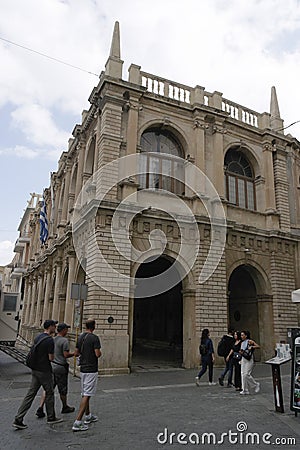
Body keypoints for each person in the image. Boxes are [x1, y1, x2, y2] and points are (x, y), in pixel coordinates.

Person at [13, 320, 63, 429]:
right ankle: (51, 417)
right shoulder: (49, 340)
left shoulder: (38, 337)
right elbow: (51, 358)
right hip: (44, 370)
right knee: (49, 392)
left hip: (35, 369)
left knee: (30, 394)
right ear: (50, 327)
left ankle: (19, 417)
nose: (55, 327)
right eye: (54, 326)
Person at [36, 323, 75, 418]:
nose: (67, 331)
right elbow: (65, 355)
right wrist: (74, 354)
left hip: (52, 367)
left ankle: (40, 407)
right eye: (66, 329)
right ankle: (65, 406)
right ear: (63, 330)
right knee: (62, 389)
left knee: (48, 388)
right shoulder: (64, 341)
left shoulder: (52, 339)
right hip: (61, 368)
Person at [72, 319, 101, 432]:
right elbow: (97, 354)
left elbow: (76, 353)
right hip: (91, 368)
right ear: (93, 326)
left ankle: (88, 415)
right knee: (87, 394)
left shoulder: (80, 337)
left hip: (83, 368)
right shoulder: (94, 338)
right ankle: (78, 421)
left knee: (85, 392)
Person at [240, 330, 260, 395]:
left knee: (246, 374)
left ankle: (255, 384)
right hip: (243, 358)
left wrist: (252, 347)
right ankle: (245, 389)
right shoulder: (242, 343)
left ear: (246, 335)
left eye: (243, 335)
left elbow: (258, 346)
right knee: (243, 374)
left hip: (249, 359)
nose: (241, 336)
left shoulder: (249, 341)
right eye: (241, 335)